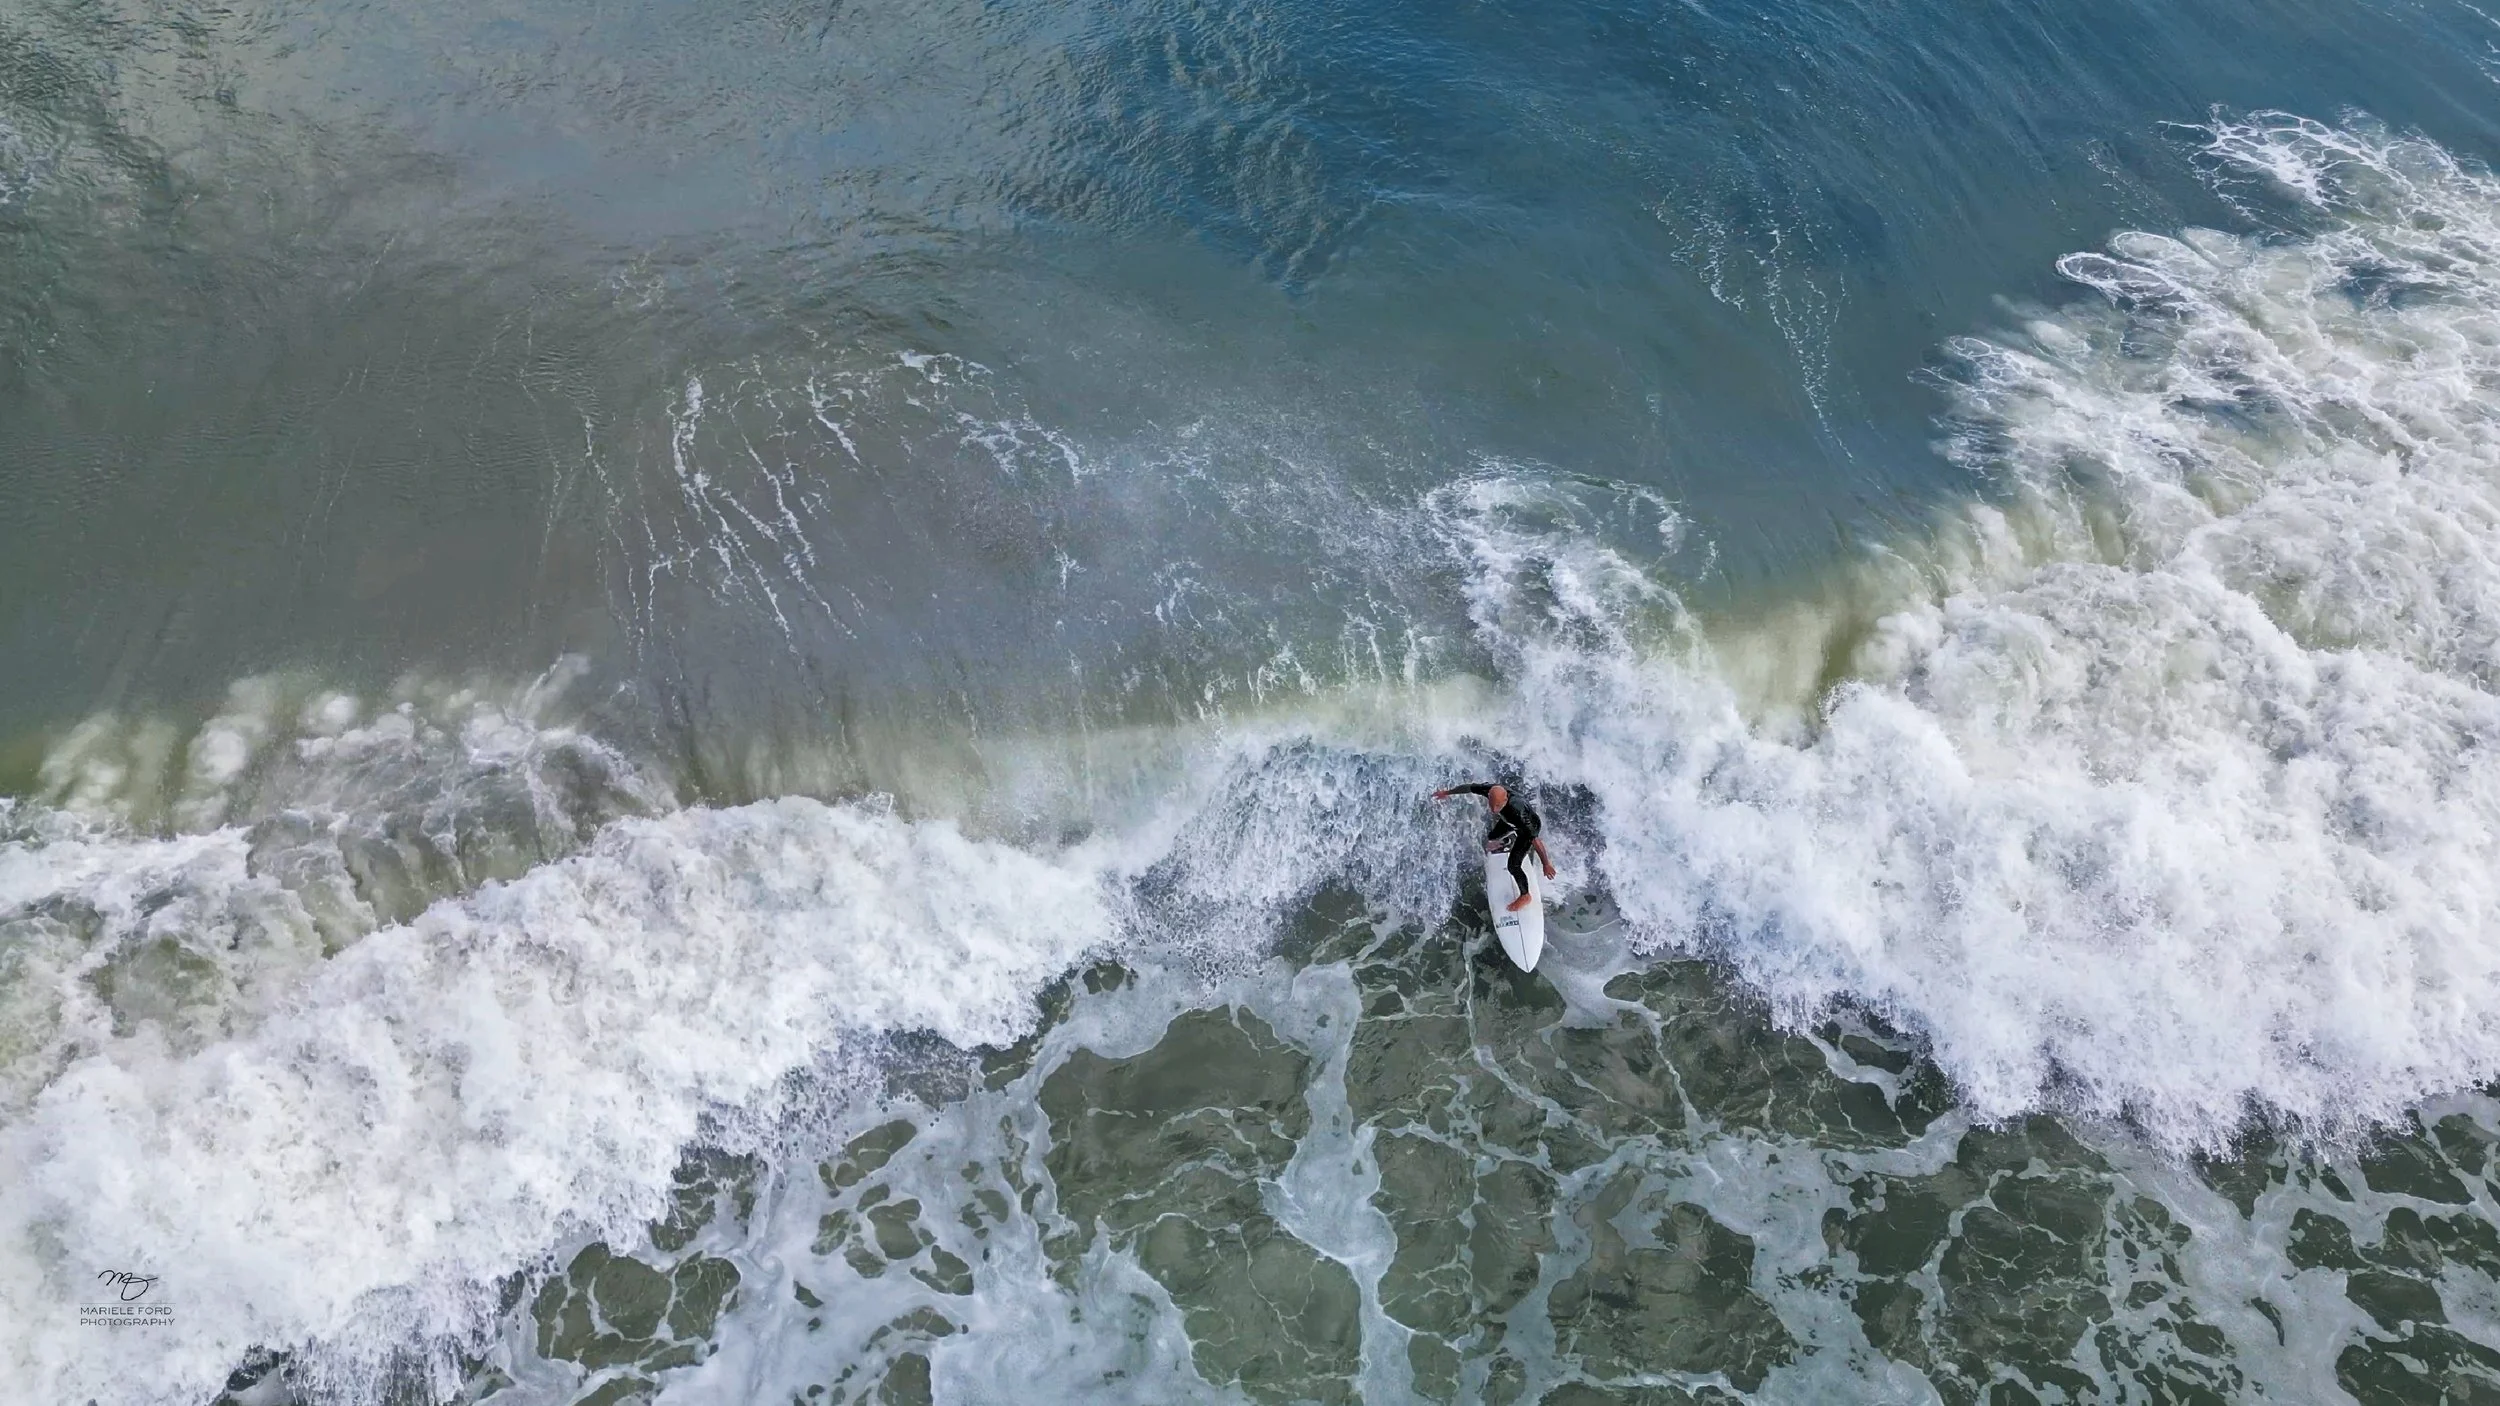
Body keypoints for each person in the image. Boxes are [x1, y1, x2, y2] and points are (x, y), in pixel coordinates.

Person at [1434, 781, 1555, 912]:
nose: (1493, 809)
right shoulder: (1489, 790)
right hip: (1508, 821)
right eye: (1491, 804)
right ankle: (1507, 842)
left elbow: (1535, 840)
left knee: (1513, 866)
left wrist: (1546, 863)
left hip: (1527, 831)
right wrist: (1447, 792)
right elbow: (1468, 787)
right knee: (1492, 836)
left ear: (1506, 799)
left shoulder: (1517, 811)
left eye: (1497, 805)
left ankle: (1525, 895)